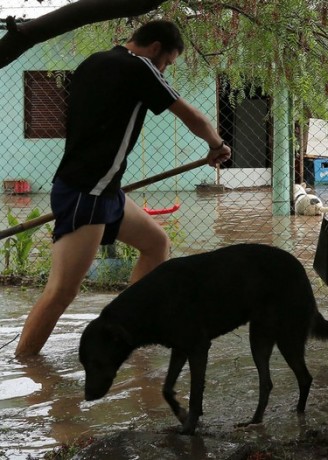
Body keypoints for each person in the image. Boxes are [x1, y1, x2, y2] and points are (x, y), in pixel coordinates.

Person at [15, 20, 231, 358]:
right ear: (156, 48)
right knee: (61, 291)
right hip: (87, 192)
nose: (165, 70)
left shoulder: (94, 62)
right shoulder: (140, 67)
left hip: (106, 190)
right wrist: (217, 144)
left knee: (156, 244)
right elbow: (192, 117)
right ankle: (26, 364)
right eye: (168, 63)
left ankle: (127, 327)